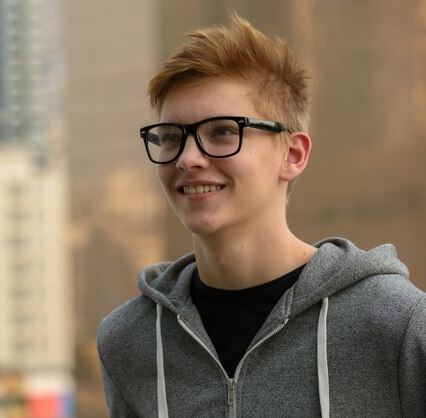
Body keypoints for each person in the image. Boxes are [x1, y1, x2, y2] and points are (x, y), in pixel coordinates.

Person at [97, 13, 426, 418]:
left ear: (293, 155)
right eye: (170, 137)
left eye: (221, 132)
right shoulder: (129, 341)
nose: (187, 158)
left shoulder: (395, 323)